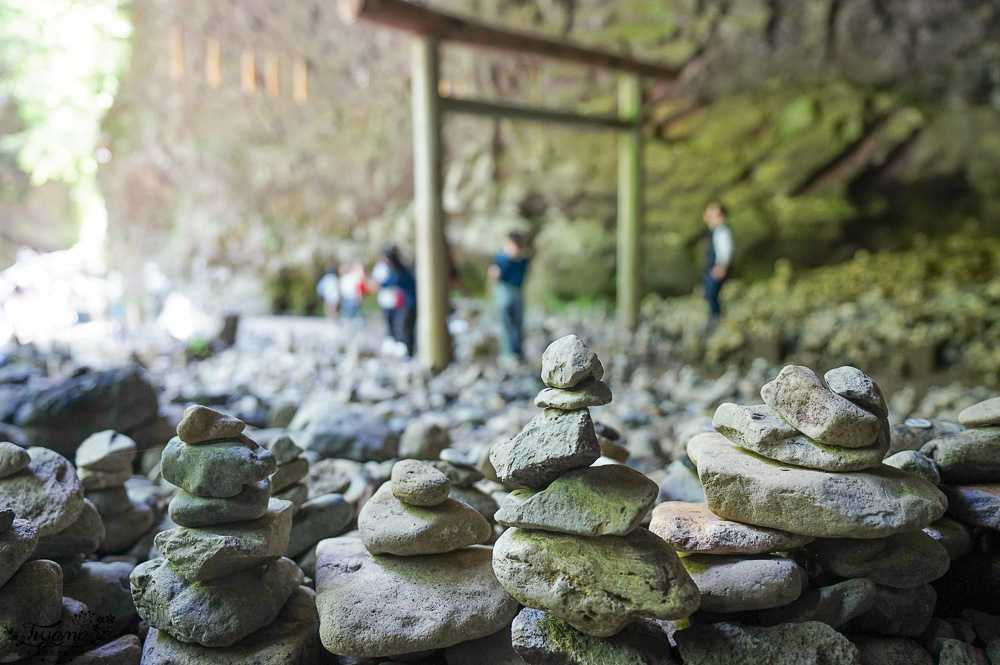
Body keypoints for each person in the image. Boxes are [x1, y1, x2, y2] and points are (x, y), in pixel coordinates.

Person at [489, 231, 530, 364]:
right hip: (504, 291)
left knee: (517, 323)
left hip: (516, 291)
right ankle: (507, 354)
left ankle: (517, 352)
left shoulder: (522, 259)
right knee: (505, 323)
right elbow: (495, 275)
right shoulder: (500, 259)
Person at [371, 246, 416, 357]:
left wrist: (375, 284)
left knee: (407, 327)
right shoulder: (396, 269)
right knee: (404, 326)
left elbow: (391, 281)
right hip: (407, 302)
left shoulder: (400, 270)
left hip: (411, 302)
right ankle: (408, 353)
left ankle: (409, 354)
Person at [702, 202, 733, 321]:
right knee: (710, 295)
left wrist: (721, 266)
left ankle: (716, 319)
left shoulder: (721, 230)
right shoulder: (715, 230)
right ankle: (715, 318)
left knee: (712, 294)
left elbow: (725, 249)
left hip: (717, 268)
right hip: (712, 267)